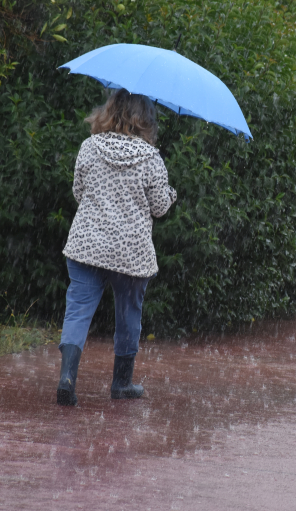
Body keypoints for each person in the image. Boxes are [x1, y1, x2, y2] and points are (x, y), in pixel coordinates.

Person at [57, 88, 177, 405]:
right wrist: (172, 194)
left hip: (87, 245)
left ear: (109, 111)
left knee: (78, 312)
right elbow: (160, 208)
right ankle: (121, 384)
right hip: (131, 253)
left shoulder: (89, 147)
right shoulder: (151, 159)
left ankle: (67, 377)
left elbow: (78, 192)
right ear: (145, 120)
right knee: (128, 316)